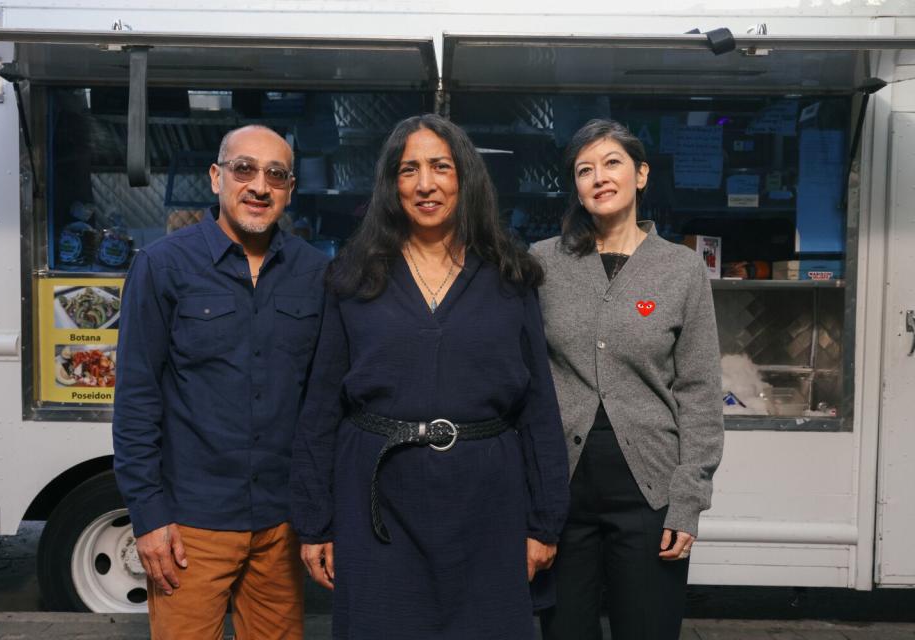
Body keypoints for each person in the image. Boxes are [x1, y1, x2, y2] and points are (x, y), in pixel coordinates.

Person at [290, 113, 570, 639]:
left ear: (464, 178)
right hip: (377, 501)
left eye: (440, 167)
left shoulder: (511, 276)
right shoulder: (353, 276)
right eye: (408, 169)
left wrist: (543, 522)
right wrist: (315, 521)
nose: (425, 184)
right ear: (390, 185)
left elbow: (538, 410)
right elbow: (322, 405)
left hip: (488, 504)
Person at [113, 125, 329, 640]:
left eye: (276, 174)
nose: (260, 185)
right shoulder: (163, 267)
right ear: (216, 177)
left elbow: (322, 407)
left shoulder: (315, 273)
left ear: (290, 189)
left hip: (281, 525)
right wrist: (148, 516)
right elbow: (137, 401)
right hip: (191, 526)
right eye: (244, 169)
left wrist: (320, 517)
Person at [531, 119, 724, 640]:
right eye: (584, 169)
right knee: (564, 630)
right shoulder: (542, 263)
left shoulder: (680, 269)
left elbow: (700, 390)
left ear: (640, 174)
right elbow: (522, 377)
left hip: (650, 488)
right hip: (563, 486)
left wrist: (689, 500)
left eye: (611, 163)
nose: (599, 177)